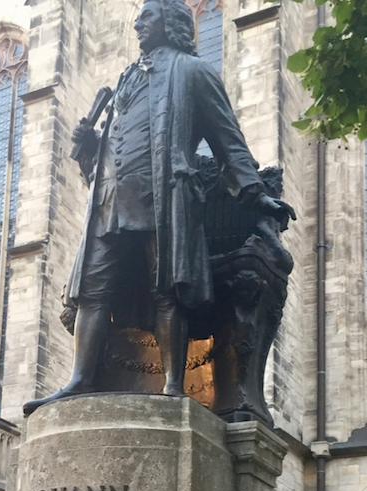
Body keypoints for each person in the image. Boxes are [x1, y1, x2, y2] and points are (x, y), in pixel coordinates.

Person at [23, 0, 295, 416]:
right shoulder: (125, 79)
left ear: (169, 23)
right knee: (92, 291)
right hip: (111, 201)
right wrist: (88, 147)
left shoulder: (193, 71)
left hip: (164, 197)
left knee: (167, 290)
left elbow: (229, 142)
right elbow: (108, 157)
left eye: (146, 18)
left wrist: (256, 194)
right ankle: (80, 379)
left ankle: (172, 386)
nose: (137, 25)